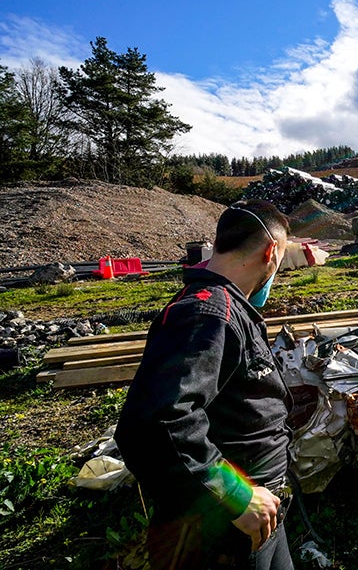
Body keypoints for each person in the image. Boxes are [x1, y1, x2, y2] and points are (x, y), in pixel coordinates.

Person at [115, 199, 294, 569]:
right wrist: (233, 494)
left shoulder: (226, 308)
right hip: (226, 527)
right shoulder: (208, 314)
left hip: (256, 516)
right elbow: (155, 423)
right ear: (271, 251)